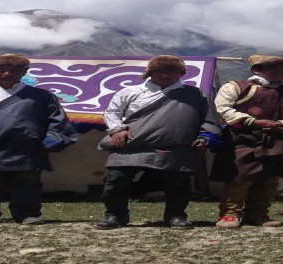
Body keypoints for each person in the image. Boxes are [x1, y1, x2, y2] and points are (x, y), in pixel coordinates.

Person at [95, 55, 222, 230]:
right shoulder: (130, 92)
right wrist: (117, 130)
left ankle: (176, 216)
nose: (165, 74)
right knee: (117, 180)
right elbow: (112, 113)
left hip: (176, 146)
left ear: (182, 72)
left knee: (178, 183)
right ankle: (115, 215)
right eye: (159, 70)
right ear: (149, 72)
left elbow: (209, 119)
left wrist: (205, 137)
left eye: (171, 70)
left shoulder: (195, 94)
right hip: (131, 145)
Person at [0, 53, 78, 226]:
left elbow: (58, 121)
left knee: (28, 181)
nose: (6, 74)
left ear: (23, 73)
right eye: (1, 70)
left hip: (27, 147)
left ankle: (27, 213)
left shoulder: (41, 96)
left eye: (13, 70)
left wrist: (47, 142)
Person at [211, 54, 283, 228]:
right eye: (272, 67)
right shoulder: (235, 87)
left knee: (270, 179)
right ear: (257, 70)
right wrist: (252, 121)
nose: (279, 71)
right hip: (242, 138)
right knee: (239, 177)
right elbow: (222, 109)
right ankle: (229, 214)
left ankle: (258, 214)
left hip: (277, 139)